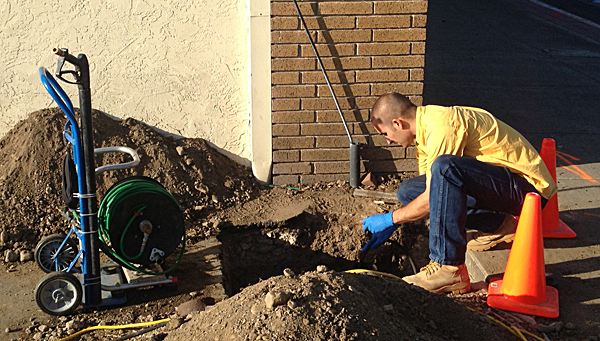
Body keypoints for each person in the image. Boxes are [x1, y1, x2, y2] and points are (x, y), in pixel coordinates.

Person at [361, 92, 557, 294]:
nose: (388, 142)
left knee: (446, 168)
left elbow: (431, 198)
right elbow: (432, 193)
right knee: (408, 191)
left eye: (385, 134)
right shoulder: (423, 134)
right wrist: (397, 218)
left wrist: (392, 219)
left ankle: (448, 267)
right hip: (501, 187)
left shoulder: (441, 127)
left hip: (527, 190)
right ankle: (499, 224)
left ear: (398, 123)